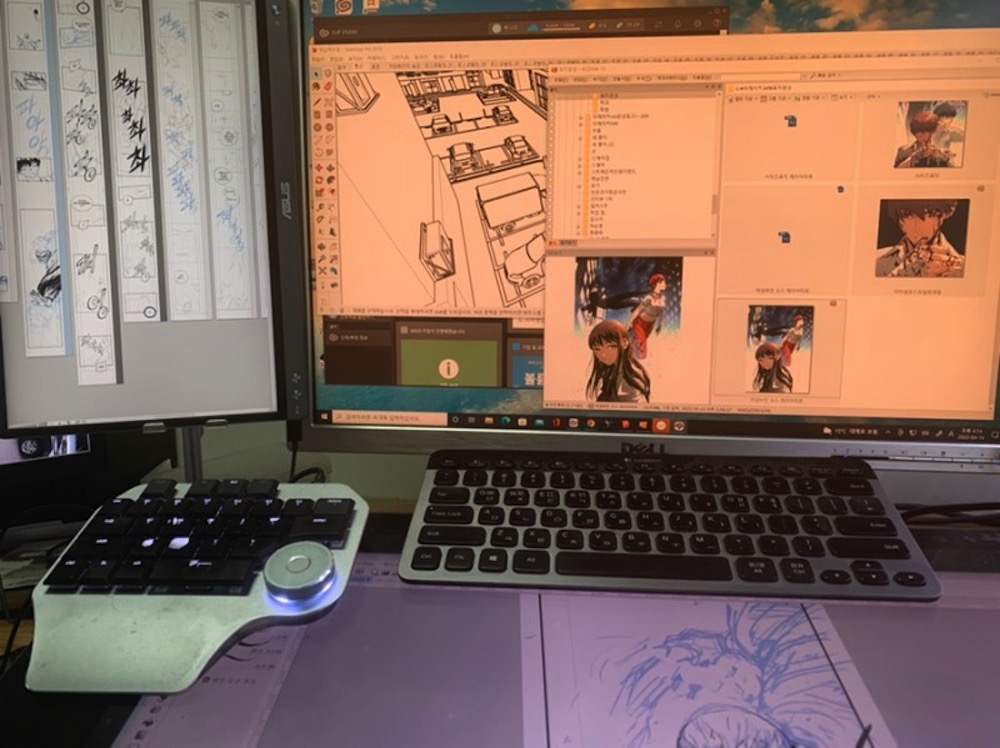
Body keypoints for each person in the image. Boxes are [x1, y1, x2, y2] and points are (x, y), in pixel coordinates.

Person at [875, 199, 964, 278]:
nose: (916, 227)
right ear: (900, 221)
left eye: (927, 215)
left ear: (940, 218)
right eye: (908, 216)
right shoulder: (877, 262)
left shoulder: (962, 268)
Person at [586, 319, 650, 403]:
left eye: (610, 347)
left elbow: (630, 408)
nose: (603, 354)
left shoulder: (629, 378)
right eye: (597, 349)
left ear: (625, 343)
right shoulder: (612, 369)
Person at [628, 273, 668, 360]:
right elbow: (638, 310)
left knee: (639, 344)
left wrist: (659, 325)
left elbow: (660, 313)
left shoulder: (663, 299)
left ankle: (630, 354)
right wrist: (629, 323)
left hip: (650, 325)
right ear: (657, 284)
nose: (665, 284)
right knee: (642, 350)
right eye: (663, 282)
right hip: (640, 323)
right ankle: (634, 358)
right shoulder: (649, 298)